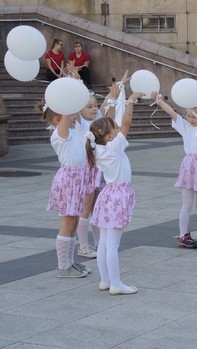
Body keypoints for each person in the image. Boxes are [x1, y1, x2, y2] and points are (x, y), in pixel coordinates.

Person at [86, 74, 143, 295]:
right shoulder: (113, 147)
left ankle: (105, 280)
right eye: (114, 130)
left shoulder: (99, 147)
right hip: (117, 196)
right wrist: (130, 102)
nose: (118, 130)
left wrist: (114, 98)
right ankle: (116, 284)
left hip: (109, 195)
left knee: (104, 242)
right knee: (113, 244)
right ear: (109, 136)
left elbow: (106, 122)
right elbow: (126, 123)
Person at [153, 92, 197, 249]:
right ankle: (183, 235)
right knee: (187, 204)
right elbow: (172, 113)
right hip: (189, 166)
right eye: (188, 115)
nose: (190, 119)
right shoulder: (185, 126)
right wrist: (160, 101)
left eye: (194, 116)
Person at [38, 101, 91, 278]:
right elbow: (68, 112)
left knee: (74, 222)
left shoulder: (73, 132)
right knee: (67, 223)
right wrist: (66, 98)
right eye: (68, 115)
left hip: (77, 180)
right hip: (69, 181)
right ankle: (63, 266)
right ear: (58, 118)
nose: (73, 116)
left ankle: (70, 261)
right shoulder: (60, 134)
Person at [75, 94, 104, 259]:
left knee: (97, 208)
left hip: (97, 169)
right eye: (89, 106)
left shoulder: (97, 121)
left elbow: (107, 106)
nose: (94, 108)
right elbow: (74, 110)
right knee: (85, 208)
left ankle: (99, 243)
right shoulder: (80, 124)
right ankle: (83, 246)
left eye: (95, 105)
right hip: (86, 170)